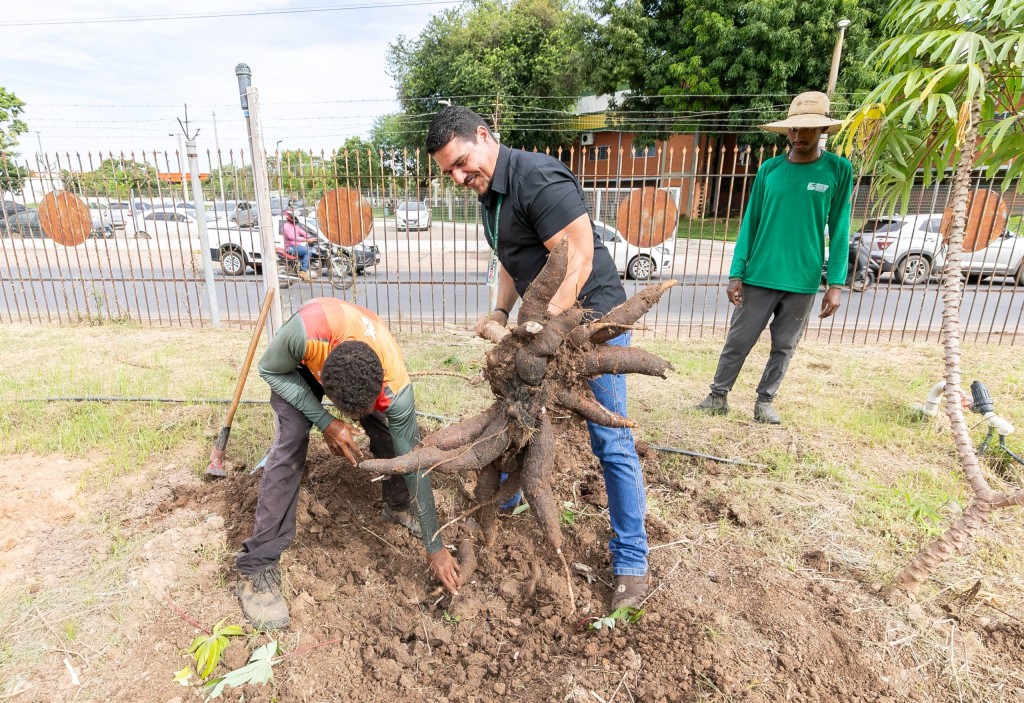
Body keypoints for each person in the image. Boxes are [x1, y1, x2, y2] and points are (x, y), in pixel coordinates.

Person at [426, 106, 650, 611]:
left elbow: (579, 258)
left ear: (483, 135)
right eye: (449, 172)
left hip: (592, 325)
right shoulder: (491, 194)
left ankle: (632, 563)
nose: (459, 177)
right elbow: (512, 258)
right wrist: (501, 312)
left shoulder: (537, 178)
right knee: (520, 417)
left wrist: (543, 329)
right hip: (542, 329)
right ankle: (507, 497)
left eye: (461, 163)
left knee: (611, 439)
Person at [235, 297, 461, 629]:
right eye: (349, 414)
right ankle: (256, 567)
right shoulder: (303, 334)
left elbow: (413, 463)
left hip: (356, 365)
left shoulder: (395, 385)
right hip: (298, 366)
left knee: (390, 433)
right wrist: (326, 421)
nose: (355, 421)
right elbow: (270, 369)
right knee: (290, 444)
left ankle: (397, 506)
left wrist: (435, 546)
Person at [694, 91, 853, 425]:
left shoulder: (838, 170)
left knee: (784, 345)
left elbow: (840, 230)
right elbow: (749, 224)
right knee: (738, 340)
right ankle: (717, 396)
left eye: (807, 129)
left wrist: (836, 283)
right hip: (759, 274)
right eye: (794, 129)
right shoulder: (770, 170)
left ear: (822, 130)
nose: (798, 136)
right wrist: (736, 274)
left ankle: (764, 402)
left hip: (803, 279)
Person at [281, 209, 317, 282]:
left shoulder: (296, 226)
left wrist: (312, 237)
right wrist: (306, 240)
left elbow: (303, 233)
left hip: (297, 247)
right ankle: (303, 271)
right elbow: (292, 237)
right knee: (307, 251)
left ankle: (306, 266)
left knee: (312, 250)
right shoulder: (286, 226)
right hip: (291, 248)